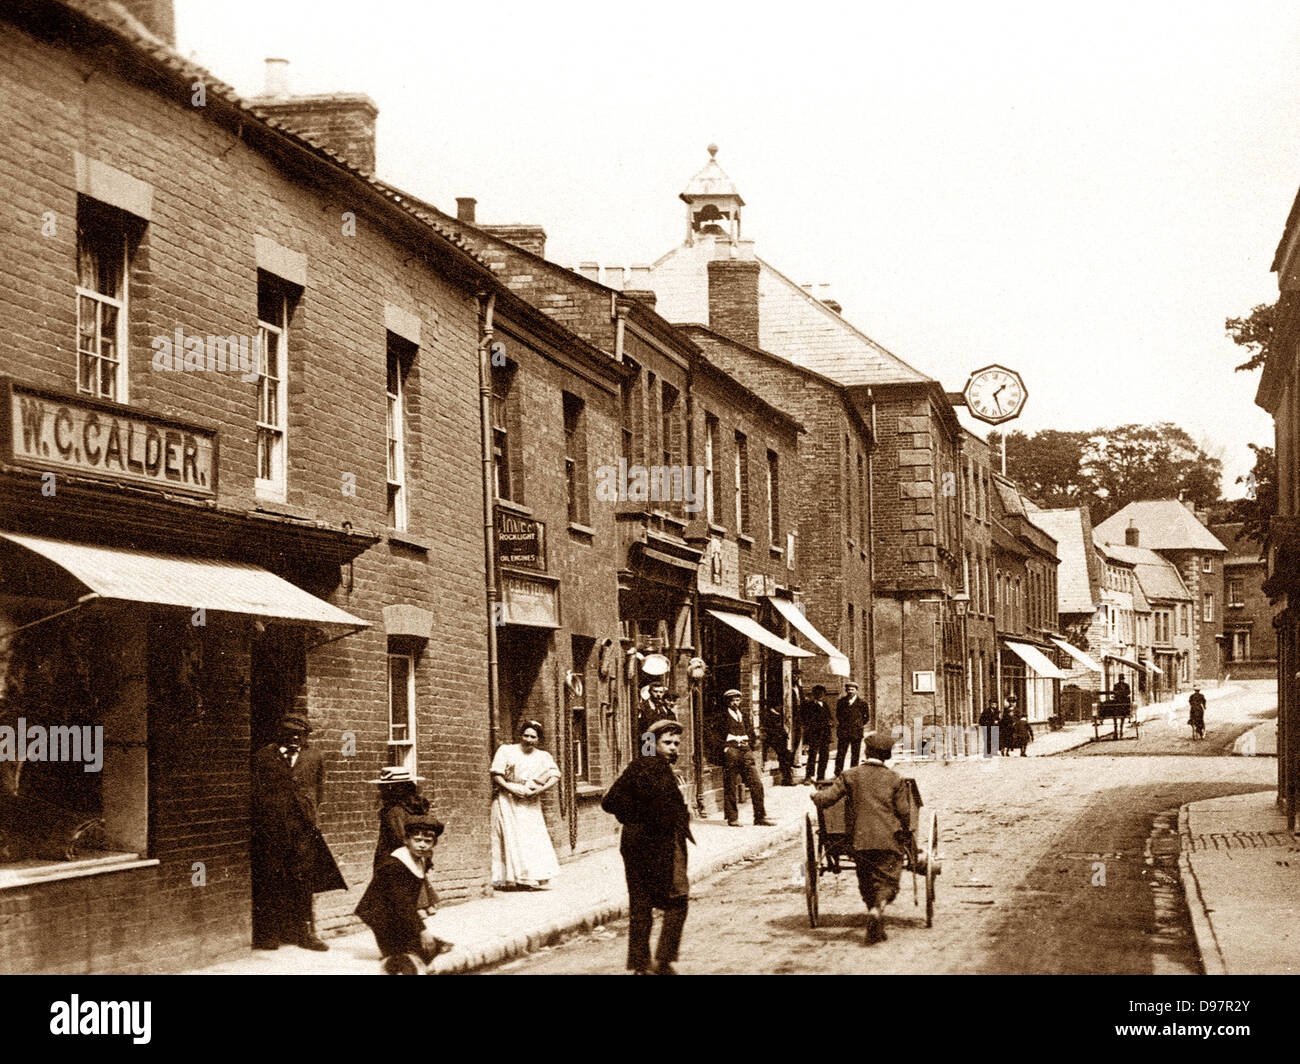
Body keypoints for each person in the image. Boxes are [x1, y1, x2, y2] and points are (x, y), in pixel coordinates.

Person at [601, 718, 694, 974]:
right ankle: (663, 961)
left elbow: (610, 802)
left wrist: (634, 819)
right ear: (652, 743)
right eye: (667, 743)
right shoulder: (655, 769)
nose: (674, 747)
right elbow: (610, 802)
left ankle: (641, 964)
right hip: (660, 844)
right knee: (678, 900)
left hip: (634, 844)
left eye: (676, 742)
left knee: (641, 905)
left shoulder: (638, 766)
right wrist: (647, 817)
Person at [251, 712, 346, 951]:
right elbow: (256, 793)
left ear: (305, 736)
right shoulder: (263, 756)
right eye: (290, 733)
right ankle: (269, 933)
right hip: (273, 830)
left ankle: (303, 933)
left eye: (299, 734)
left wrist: (308, 815)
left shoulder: (314, 757)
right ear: (280, 733)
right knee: (271, 877)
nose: (294, 738)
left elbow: (319, 792)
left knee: (302, 880)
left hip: (303, 830)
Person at [811, 731, 914, 945]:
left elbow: (827, 799)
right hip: (888, 841)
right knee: (888, 881)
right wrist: (907, 837)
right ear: (886, 756)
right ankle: (878, 910)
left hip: (860, 842)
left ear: (866, 752)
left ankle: (874, 912)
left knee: (866, 881)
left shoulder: (850, 775)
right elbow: (904, 812)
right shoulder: (895, 778)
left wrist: (815, 796)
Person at [355, 813, 454, 973]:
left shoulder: (420, 859)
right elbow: (402, 902)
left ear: (433, 843)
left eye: (427, 842)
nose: (422, 845)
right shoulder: (396, 865)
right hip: (379, 914)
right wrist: (422, 930)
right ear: (407, 841)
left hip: (395, 912)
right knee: (401, 956)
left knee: (428, 948)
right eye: (417, 840)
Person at [490, 720, 561, 889]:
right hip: (508, 798)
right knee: (510, 835)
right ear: (520, 735)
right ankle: (511, 878)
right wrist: (511, 789)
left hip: (530, 800)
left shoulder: (543, 756)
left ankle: (532, 875)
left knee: (531, 837)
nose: (528, 740)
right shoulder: (506, 751)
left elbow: (555, 775)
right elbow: (496, 774)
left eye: (533, 737)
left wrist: (539, 791)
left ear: (538, 739)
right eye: (526, 735)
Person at [719, 689, 775, 827]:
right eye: (732, 700)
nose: (735, 703)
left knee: (756, 783)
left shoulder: (743, 715)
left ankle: (760, 817)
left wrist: (751, 743)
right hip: (731, 752)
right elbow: (712, 735)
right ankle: (732, 818)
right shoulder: (721, 716)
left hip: (745, 752)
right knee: (730, 785)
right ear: (727, 701)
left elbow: (750, 732)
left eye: (737, 700)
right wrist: (724, 748)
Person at [369, 766, 431, 869]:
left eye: (387, 787)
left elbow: (402, 838)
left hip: (393, 862)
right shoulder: (414, 807)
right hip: (411, 860)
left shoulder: (394, 811)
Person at [799, 684, 834, 783]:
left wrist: (830, 722)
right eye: (817, 694)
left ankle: (821, 776)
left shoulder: (825, 705)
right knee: (812, 755)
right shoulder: (809, 705)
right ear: (814, 694)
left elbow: (830, 717)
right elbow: (805, 719)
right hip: (814, 734)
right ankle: (809, 776)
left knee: (824, 756)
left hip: (825, 735)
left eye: (822, 694)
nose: (820, 696)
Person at [760, 699, 795, 786]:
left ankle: (786, 778)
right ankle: (786, 779)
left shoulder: (778, 714)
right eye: (779, 706)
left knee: (786, 757)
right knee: (784, 757)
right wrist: (779, 734)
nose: (781, 707)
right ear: (775, 706)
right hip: (773, 740)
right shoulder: (769, 715)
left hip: (779, 739)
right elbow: (767, 729)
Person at [834, 680, 866, 775]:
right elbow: (838, 715)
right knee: (841, 753)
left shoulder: (862, 703)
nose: (850, 691)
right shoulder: (841, 702)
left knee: (855, 754)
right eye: (848, 689)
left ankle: (853, 773)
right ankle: (838, 772)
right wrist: (844, 725)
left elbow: (866, 717)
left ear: (856, 690)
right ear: (846, 691)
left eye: (852, 689)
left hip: (856, 732)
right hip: (844, 731)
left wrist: (858, 724)